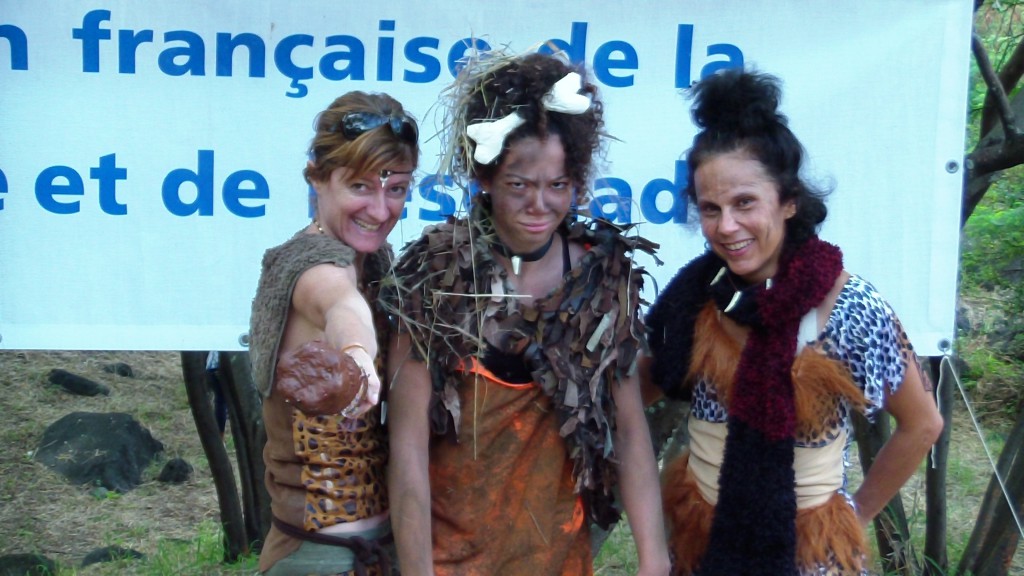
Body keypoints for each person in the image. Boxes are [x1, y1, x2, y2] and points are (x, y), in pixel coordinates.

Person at [642, 68, 945, 575]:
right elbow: (639, 389)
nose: (727, 226)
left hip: (806, 558)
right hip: (700, 547)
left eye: (745, 203)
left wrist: (854, 515)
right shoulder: (695, 296)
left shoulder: (851, 308)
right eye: (711, 209)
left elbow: (922, 424)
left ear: (788, 202)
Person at [383, 51, 671, 576]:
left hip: (556, 559)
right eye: (519, 184)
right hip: (449, 561)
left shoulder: (600, 278)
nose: (540, 204)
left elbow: (630, 431)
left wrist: (655, 563)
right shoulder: (435, 277)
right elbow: (407, 448)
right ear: (486, 178)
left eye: (557, 185)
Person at [247, 91, 418, 576]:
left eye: (397, 189)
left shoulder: (372, 261)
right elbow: (342, 305)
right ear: (317, 177)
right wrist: (357, 354)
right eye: (359, 186)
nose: (380, 210)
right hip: (318, 559)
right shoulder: (314, 268)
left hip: (370, 553)